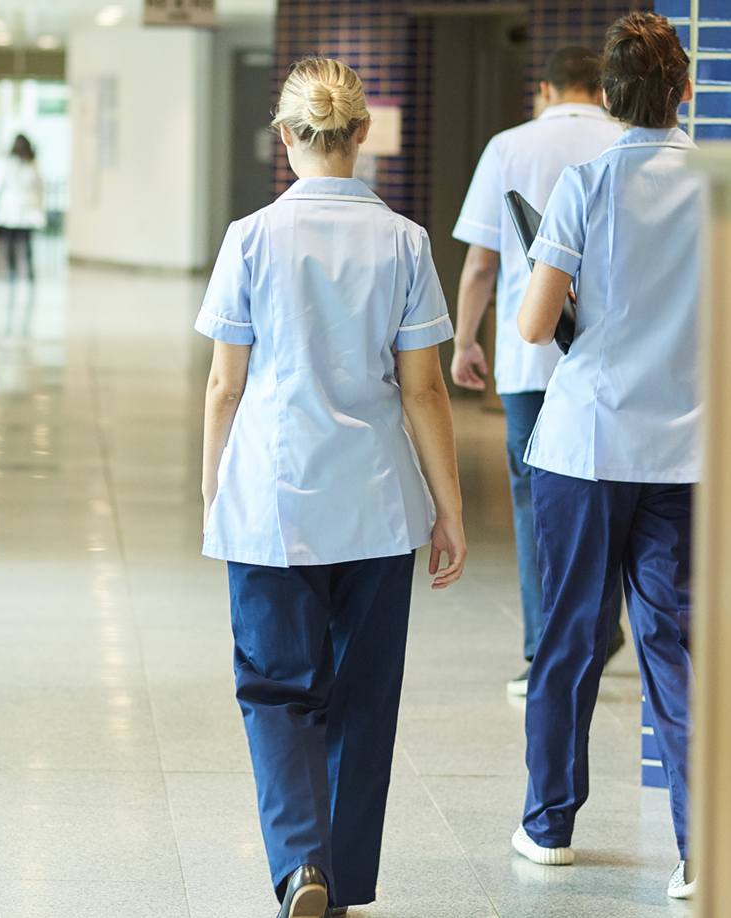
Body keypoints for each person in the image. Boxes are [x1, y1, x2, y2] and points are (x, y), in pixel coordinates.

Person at [198, 58, 467, 918]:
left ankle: (300, 866)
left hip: (274, 497)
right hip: (378, 506)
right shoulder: (405, 242)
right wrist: (448, 510)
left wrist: (216, 491)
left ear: (285, 138)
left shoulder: (249, 237)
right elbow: (423, 389)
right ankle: (340, 883)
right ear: (362, 136)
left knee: (276, 690)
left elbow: (223, 387)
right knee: (361, 698)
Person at [508, 12, 701, 900]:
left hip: (584, 450)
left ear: (612, 99)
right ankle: (699, 849)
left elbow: (535, 324)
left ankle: (549, 826)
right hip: (685, 451)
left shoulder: (586, 183)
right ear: (684, 90)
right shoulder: (721, 187)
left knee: (569, 640)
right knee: (676, 645)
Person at [448, 46, 627, 697]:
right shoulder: (627, 140)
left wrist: (465, 341)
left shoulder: (508, 146)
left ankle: (541, 647)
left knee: (533, 500)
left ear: (545, 89)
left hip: (529, 359)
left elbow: (480, 264)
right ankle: (600, 624)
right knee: (608, 493)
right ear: (600, 90)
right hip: (610, 357)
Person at [0, 134, 46, 281]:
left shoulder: (5, 163)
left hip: (9, 207)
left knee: (9, 241)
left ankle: (11, 270)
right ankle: (28, 268)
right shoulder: (32, 164)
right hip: (26, 207)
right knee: (26, 241)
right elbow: (39, 185)